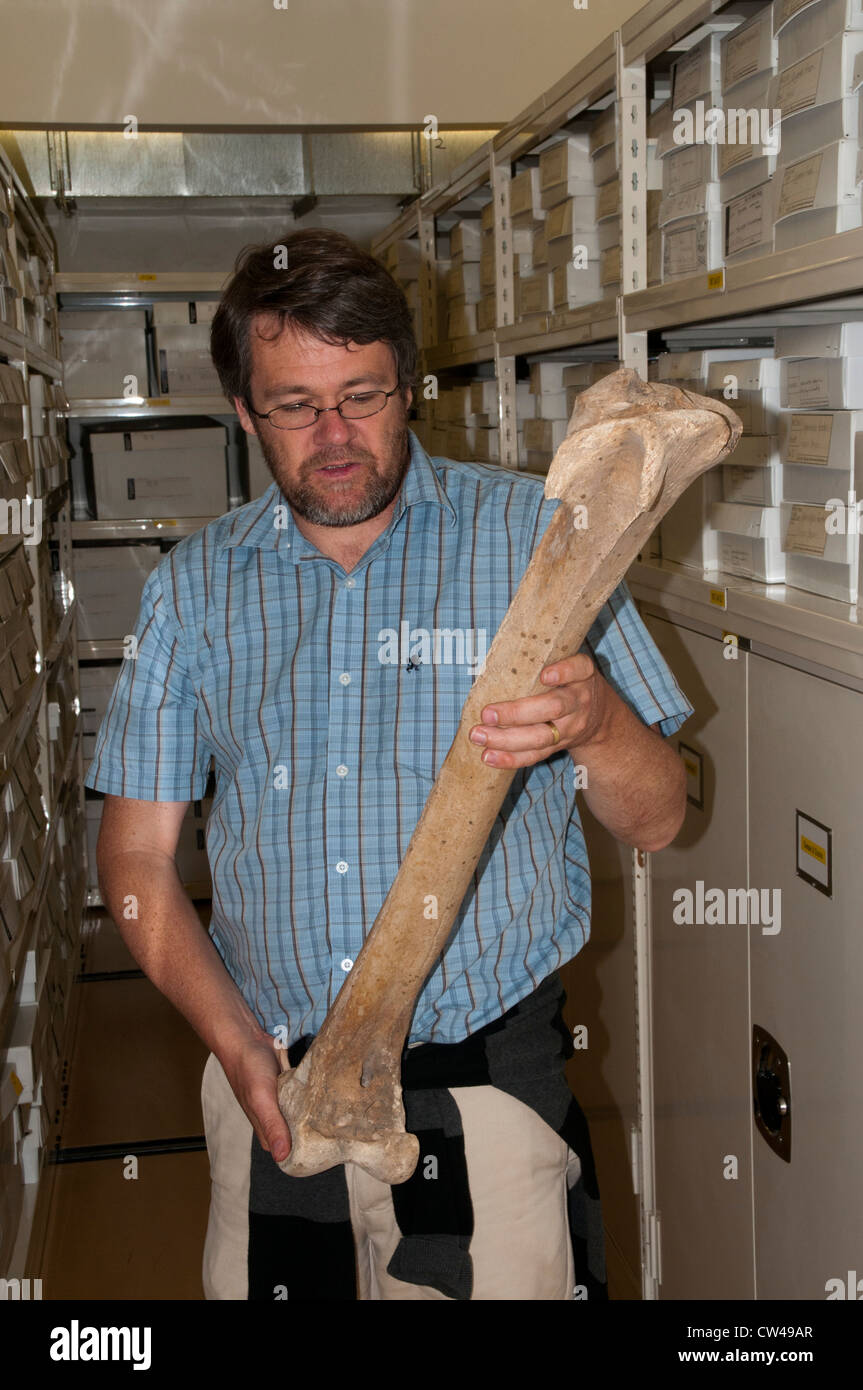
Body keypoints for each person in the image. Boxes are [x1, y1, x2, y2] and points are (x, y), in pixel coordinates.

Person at [86, 227, 693, 1301]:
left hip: (483, 1094)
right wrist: (233, 1048)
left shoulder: (537, 541)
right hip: (268, 1080)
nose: (332, 435)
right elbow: (135, 863)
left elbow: (656, 818)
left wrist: (595, 725)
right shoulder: (193, 590)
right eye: (291, 404)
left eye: (361, 395)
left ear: (409, 387)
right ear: (242, 412)